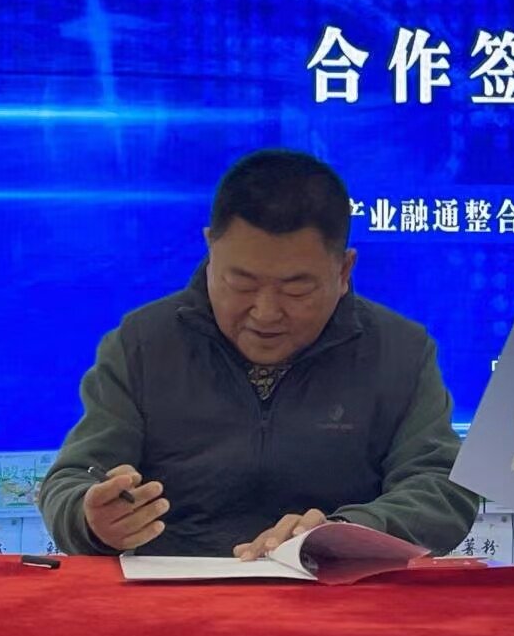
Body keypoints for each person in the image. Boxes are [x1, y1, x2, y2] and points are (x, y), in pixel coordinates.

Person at [38, 149, 479, 558]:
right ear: (210, 249)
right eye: (241, 283)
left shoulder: (399, 352)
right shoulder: (142, 344)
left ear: (344, 270)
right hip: (174, 600)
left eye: (296, 289)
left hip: (339, 595)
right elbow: (72, 479)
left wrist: (346, 534)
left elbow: (441, 488)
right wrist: (90, 517)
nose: (265, 313)